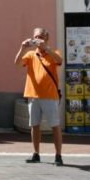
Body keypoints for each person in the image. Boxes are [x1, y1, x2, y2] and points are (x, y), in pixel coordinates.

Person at [14, 27, 64, 165]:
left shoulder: (53, 52)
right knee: (34, 125)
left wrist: (46, 49)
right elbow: (17, 63)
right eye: (36, 36)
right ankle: (36, 153)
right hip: (33, 95)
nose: (38, 39)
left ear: (47, 38)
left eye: (41, 36)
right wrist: (22, 48)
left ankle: (58, 155)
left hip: (49, 95)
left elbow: (59, 60)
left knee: (55, 125)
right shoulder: (31, 54)